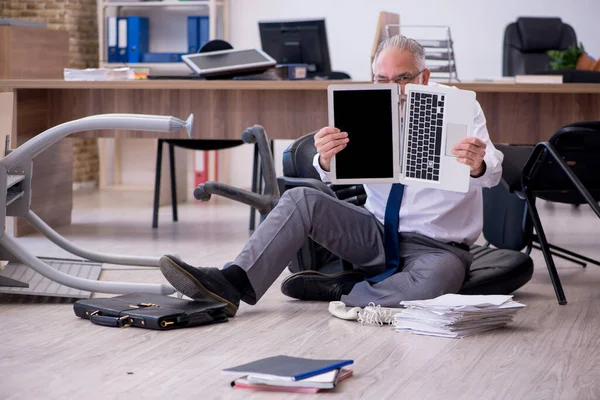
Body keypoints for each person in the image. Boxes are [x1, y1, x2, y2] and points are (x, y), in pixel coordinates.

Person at [158, 35, 504, 318]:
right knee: (299, 198)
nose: (394, 89)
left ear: (424, 77)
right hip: (376, 233)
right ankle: (230, 283)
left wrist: (477, 165)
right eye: (382, 80)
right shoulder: (365, 105)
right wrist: (324, 161)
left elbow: (492, 174)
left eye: (403, 79)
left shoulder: (458, 106)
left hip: (437, 248)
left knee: (438, 282)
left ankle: (343, 289)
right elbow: (335, 180)